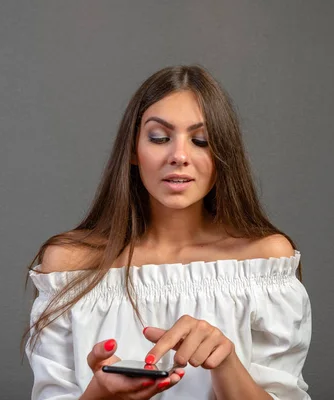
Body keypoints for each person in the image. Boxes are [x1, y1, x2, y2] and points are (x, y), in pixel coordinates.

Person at [24, 65, 311, 400]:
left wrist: (226, 362)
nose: (179, 156)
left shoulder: (265, 260)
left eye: (201, 141)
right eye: (159, 138)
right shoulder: (69, 265)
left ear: (223, 156)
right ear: (132, 150)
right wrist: (100, 394)